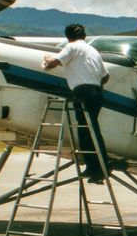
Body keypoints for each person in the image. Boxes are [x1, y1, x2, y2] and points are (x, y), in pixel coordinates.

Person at [43, 24, 111, 184]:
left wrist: (46, 60)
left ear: (67, 37)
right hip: (96, 93)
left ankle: (98, 167)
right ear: (84, 35)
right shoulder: (93, 51)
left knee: (85, 130)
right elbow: (106, 77)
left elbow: (54, 62)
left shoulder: (71, 47)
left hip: (83, 93)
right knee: (91, 129)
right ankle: (96, 166)